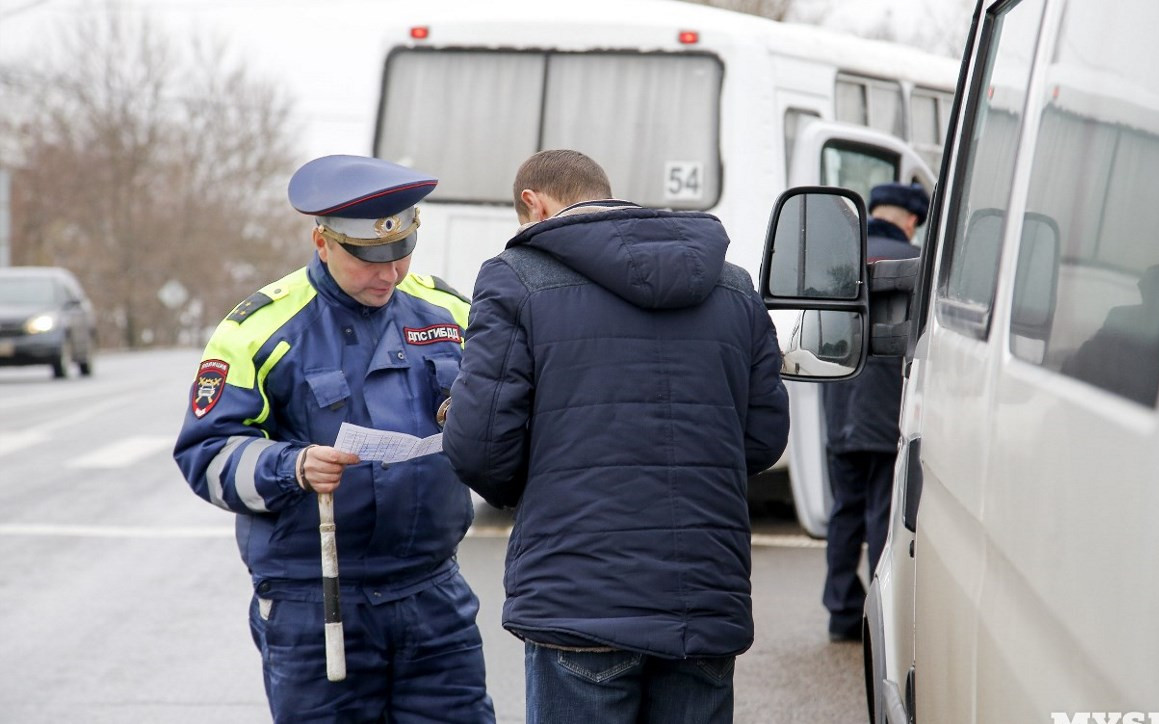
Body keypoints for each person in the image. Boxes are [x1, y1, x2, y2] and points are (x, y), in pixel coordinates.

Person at [440, 149, 790, 724]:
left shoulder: (515, 278)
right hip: (701, 597)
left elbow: (479, 444)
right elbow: (762, 439)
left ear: (534, 203)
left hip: (578, 592)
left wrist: (531, 486)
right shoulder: (732, 286)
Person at [173, 154, 495, 723]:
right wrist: (291, 467)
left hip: (432, 594)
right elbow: (208, 453)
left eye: (402, 254)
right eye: (369, 259)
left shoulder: (450, 313)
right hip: (316, 600)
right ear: (323, 242)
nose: (389, 274)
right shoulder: (258, 329)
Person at [820, 181, 927, 642]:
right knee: (882, 513)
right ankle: (877, 616)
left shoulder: (841, 257)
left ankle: (841, 614)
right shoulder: (918, 262)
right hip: (886, 411)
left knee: (844, 511)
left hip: (839, 404)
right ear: (908, 220)